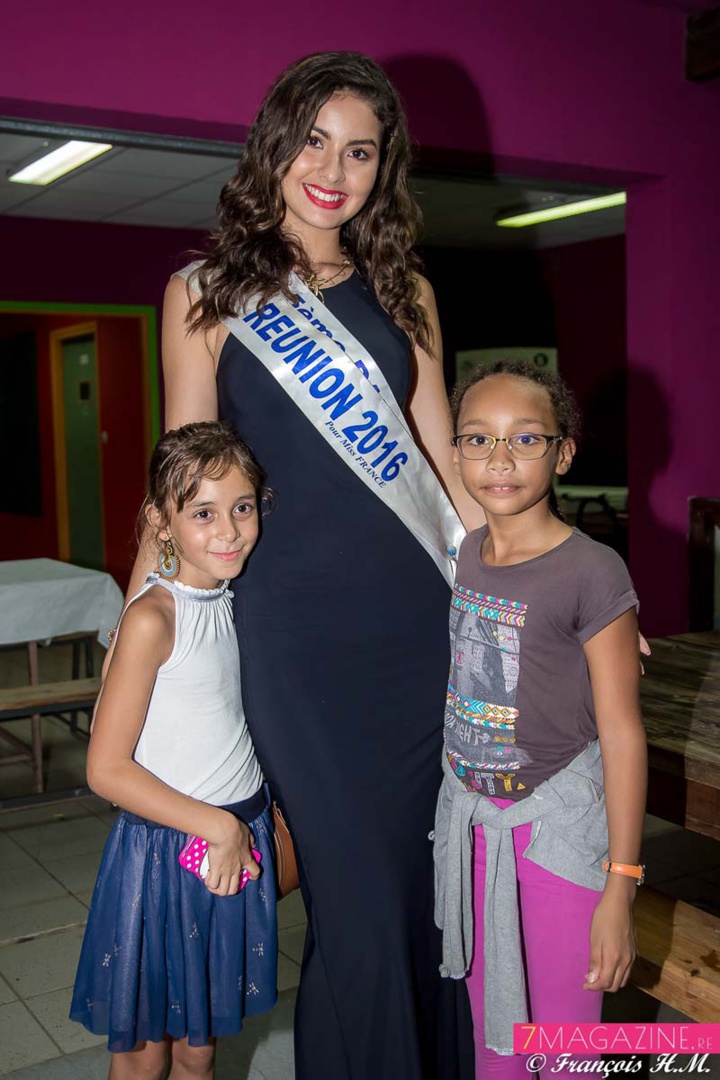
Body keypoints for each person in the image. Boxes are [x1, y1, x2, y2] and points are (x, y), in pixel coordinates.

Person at [148, 50, 480, 1080]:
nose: (334, 167)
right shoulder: (203, 295)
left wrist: (562, 597)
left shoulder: (404, 291)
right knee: (356, 899)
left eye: (362, 150)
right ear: (274, 145)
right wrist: (145, 641)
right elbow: (182, 487)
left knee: (430, 900)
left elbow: (446, 475)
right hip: (292, 642)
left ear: (385, 169)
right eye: (314, 139)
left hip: (420, 632)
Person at [433, 358, 647, 1077]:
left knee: (564, 1053)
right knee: (496, 1040)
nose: (499, 459)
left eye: (525, 440)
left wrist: (621, 882)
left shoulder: (593, 570)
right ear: (456, 450)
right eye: (477, 439)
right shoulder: (468, 552)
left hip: (555, 838)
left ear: (564, 451)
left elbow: (621, 732)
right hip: (475, 831)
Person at [70, 421, 278, 1080]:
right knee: (143, 1046)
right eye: (204, 513)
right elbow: (104, 768)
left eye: (242, 508)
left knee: (200, 1046)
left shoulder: (231, 598)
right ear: (164, 522)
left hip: (236, 839)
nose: (229, 530)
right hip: (170, 849)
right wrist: (215, 825)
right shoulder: (152, 618)